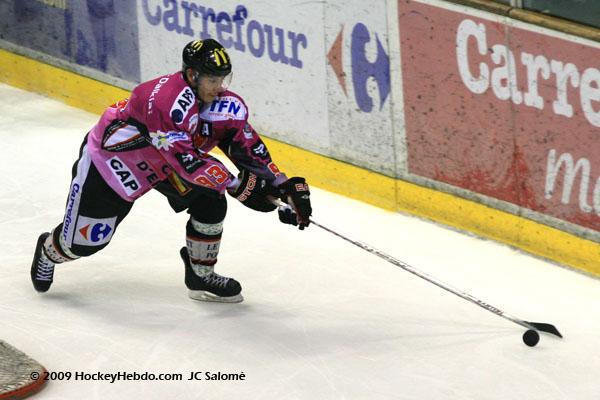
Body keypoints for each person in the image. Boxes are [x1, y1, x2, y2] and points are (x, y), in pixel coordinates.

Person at [30, 39, 312, 303]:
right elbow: (186, 161)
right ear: (192, 75)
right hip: (116, 164)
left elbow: (245, 143)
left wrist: (281, 184)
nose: (219, 87)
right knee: (85, 243)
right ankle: (49, 251)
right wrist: (239, 185)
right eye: (213, 80)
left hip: (164, 166)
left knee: (210, 202)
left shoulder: (222, 103)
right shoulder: (166, 102)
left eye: (222, 79)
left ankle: (200, 275)